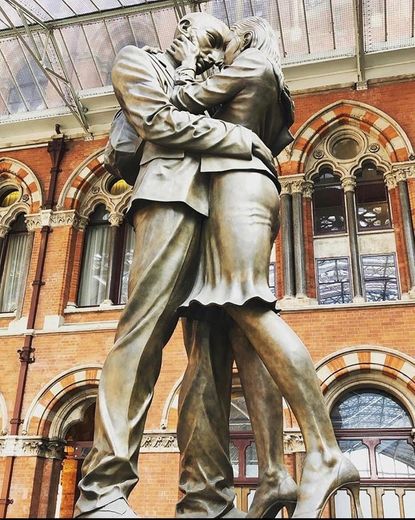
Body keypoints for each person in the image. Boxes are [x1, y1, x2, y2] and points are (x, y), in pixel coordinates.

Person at [74, 13, 292, 519]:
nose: (184, 28)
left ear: (217, 50)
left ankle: (207, 499)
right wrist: (239, 141)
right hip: (169, 201)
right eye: (186, 22)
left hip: (220, 213)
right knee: (142, 338)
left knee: (210, 361)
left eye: (202, 30)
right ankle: (102, 492)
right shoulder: (139, 62)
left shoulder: (214, 83)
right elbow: (155, 122)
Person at [171, 16, 362, 519]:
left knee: (250, 309)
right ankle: (275, 472)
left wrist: (192, 62)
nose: (223, 51)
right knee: (240, 330)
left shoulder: (249, 65)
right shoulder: (276, 87)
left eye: (227, 44)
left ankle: (324, 451)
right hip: (255, 188)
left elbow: (180, 105)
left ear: (246, 40)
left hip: (237, 188)